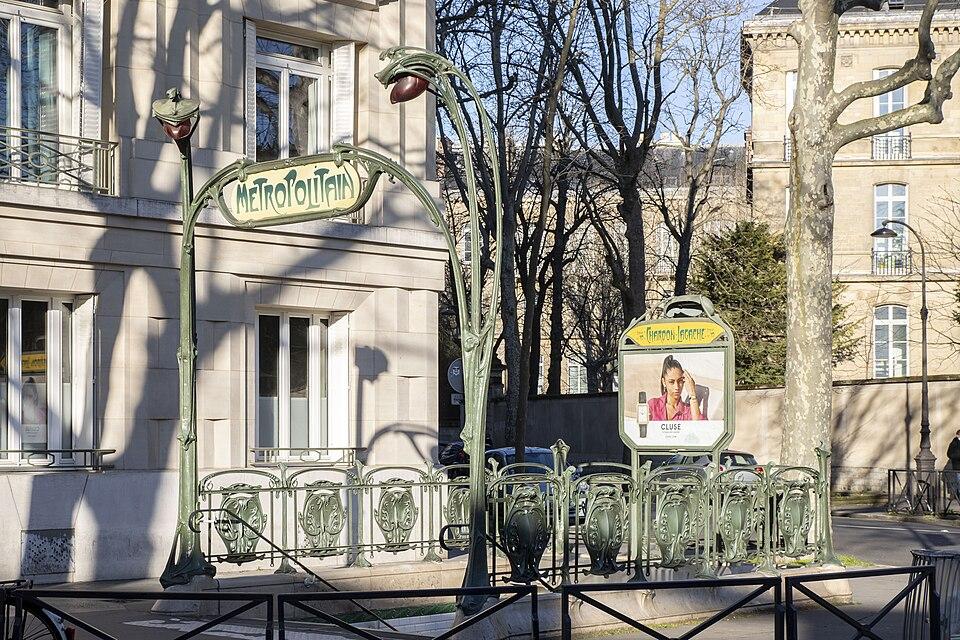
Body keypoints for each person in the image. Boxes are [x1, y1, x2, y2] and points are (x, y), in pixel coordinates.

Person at [647, 355, 707, 421]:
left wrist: (692, 395)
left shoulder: (689, 411)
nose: (677, 387)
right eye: (671, 382)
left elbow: (700, 428)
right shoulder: (653, 405)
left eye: (680, 381)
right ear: (664, 382)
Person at [947, 430, 960, 500]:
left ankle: (955, 495)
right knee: (958, 481)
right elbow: (949, 454)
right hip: (957, 466)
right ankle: (956, 496)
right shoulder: (954, 443)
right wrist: (957, 456)